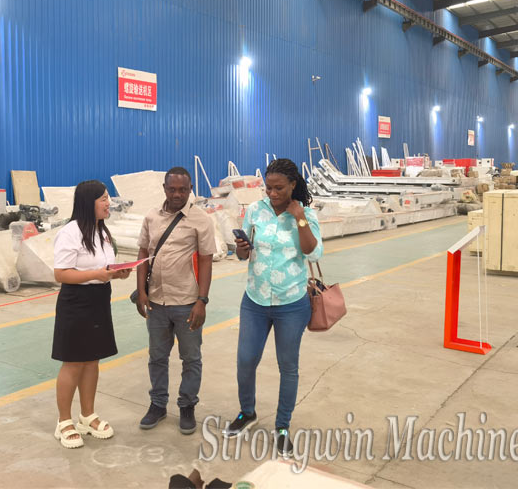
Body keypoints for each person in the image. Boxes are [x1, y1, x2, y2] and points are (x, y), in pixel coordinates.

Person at [224, 158, 323, 457]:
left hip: (291, 303)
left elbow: (313, 250)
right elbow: (244, 255)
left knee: (287, 366)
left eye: (279, 187)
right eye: (268, 187)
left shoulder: (306, 213)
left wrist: (299, 217)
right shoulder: (255, 211)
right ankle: (247, 412)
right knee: (245, 360)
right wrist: (242, 251)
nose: (272, 193)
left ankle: (282, 426)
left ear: (293, 185)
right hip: (254, 299)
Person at [135, 166, 217, 434]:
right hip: (157, 303)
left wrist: (202, 300)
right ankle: (158, 405)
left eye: (183, 189)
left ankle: (187, 406)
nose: (178, 194)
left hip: (187, 302)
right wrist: (142, 292)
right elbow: (143, 255)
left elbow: (205, 261)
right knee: (157, 357)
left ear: (190, 189)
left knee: (191, 357)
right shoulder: (151, 217)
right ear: (164, 189)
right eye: (172, 189)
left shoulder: (201, 219)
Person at [52, 180, 131, 449]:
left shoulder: (103, 232)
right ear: (89, 203)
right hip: (76, 301)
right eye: (104, 199)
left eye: (108, 198)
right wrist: (98, 274)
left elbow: (103, 265)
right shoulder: (70, 232)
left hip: (99, 299)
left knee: (92, 360)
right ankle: (64, 421)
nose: (109, 203)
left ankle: (87, 415)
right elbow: (61, 273)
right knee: (73, 362)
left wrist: (116, 272)